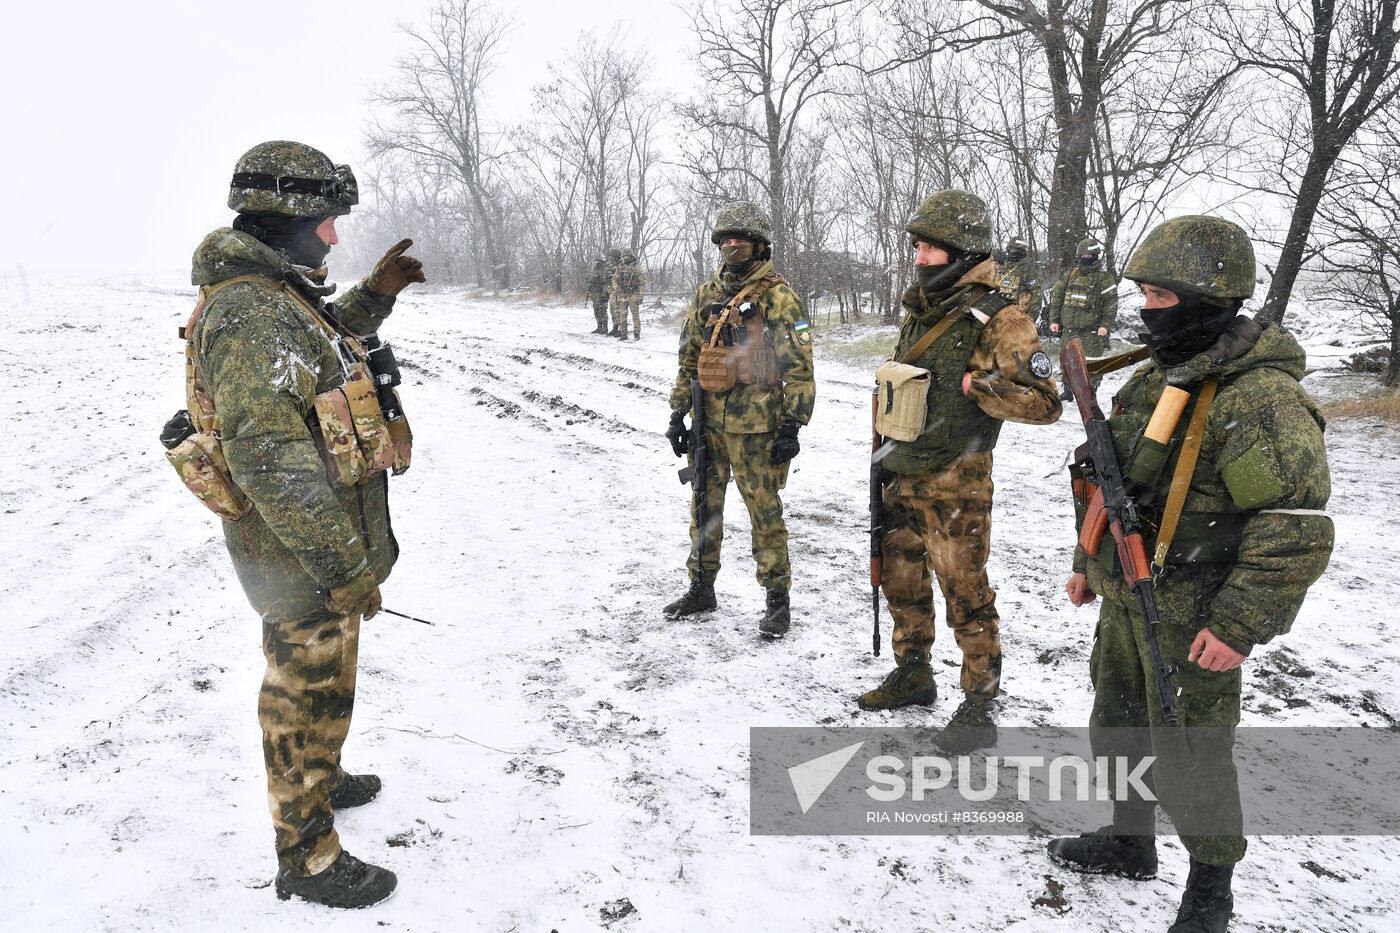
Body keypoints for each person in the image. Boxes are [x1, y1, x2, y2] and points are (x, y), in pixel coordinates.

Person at [1046, 216, 1334, 933]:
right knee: (1116, 722)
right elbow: (1113, 486)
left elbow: (1293, 527)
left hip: (1198, 613)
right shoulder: (1158, 374)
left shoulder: (1257, 397)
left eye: (1160, 296)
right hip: (1128, 592)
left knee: (1194, 751)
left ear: (1210, 300)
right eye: (1142, 293)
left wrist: (1238, 625)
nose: (1146, 309)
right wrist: (1090, 564)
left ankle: (1211, 890)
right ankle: (1127, 838)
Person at [186, 140, 424, 908]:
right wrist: (344, 567)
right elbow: (271, 463)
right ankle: (308, 855)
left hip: (315, 552)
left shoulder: (277, 295)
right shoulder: (249, 312)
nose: (331, 237)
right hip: (298, 559)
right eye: (323, 222)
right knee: (301, 694)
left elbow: (320, 349)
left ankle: (326, 774)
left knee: (329, 678)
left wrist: (377, 294)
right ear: (282, 219)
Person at [856, 190, 1061, 754]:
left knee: (965, 593)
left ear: (965, 254)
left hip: (955, 480)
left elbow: (1046, 402)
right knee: (902, 582)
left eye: (932, 248)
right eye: (918, 246)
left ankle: (978, 705)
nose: (920, 257)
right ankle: (914, 674)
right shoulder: (923, 307)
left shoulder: (1003, 320)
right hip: (900, 467)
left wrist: (984, 389)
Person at [664, 201, 815, 636]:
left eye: (740, 239)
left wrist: (792, 424)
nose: (732, 246)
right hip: (709, 423)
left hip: (757, 427)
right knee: (703, 507)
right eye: (725, 240)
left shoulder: (778, 296)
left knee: (764, 513)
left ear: (759, 244)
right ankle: (701, 587)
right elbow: (689, 357)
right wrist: (679, 412)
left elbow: (800, 366)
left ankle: (777, 600)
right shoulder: (706, 294)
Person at [1047, 238, 1118, 398]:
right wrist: (1054, 320)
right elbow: (1057, 298)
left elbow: (1111, 304)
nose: (1085, 257)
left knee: (1092, 364)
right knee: (1066, 361)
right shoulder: (1070, 275)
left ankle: (1090, 394)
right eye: (1083, 254)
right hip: (1069, 329)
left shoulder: (1104, 278)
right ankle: (1068, 391)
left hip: (1092, 331)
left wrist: (1105, 325)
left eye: (1089, 254)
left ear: (1095, 255)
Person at [996, 235, 1043, 325]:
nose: (1014, 253)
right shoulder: (1002, 268)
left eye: (1017, 251)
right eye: (1012, 250)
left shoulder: (1028, 270)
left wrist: (1029, 321)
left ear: (1023, 252)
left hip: (1018, 318)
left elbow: (1036, 297)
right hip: (999, 316)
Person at [610, 251, 646, 340]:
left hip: (633, 294)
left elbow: (642, 283)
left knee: (635, 315)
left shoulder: (636, 268)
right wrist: (617, 288)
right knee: (623, 315)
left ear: (630, 257)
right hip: (622, 294)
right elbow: (614, 280)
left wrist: (641, 296)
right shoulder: (620, 268)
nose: (625, 258)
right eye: (624, 256)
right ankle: (623, 334)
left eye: (627, 256)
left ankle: (636, 333)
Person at [586, 258, 611, 334]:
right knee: (596, 311)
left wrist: (605, 293)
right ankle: (599, 327)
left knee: (603, 311)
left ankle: (605, 328)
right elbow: (591, 280)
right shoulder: (594, 270)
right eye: (595, 261)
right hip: (595, 294)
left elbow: (606, 282)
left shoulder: (605, 270)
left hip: (601, 293)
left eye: (598, 262)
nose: (596, 263)